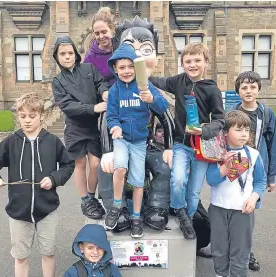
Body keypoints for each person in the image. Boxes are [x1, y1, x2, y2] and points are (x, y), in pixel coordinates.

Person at [0, 93, 75, 277]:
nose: (27, 121)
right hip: (18, 212)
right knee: (21, 256)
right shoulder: (11, 142)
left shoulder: (52, 141)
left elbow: (68, 164)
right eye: (22, 116)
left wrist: (54, 178)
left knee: (48, 253)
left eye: (32, 116)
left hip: (47, 210)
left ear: (42, 115)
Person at [98, 16, 175, 232]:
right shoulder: (115, 91)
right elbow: (108, 116)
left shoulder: (149, 88)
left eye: (146, 49)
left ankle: (156, 208)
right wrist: (107, 150)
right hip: (122, 142)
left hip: (145, 143)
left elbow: (164, 113)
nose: (130, 67)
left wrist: (168, 147)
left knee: (163, 167)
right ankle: (118, 208)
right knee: (110, 169)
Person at [149, 42, 225, 240]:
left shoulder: (211, 89)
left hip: (200, 147)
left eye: (197, 60)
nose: (193, 65)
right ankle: (179, 211)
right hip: (181, 145)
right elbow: (159, 81)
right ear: (182, 63)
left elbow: (220, 119)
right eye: (188, 61)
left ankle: (187, 221)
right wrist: (140, 74)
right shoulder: (179, 81)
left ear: (206, 63)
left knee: (193, 192)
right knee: (178, 180)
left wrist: (205, 130)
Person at [52, 36, 109, 220]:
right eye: (63, 54)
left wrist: (104, 92)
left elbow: (101, 82)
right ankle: (85, 199)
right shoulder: (58, 81)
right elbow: (67, 105)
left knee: (95, 164)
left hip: (93, 126)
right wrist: (93, 108)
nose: (67, 57)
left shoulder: (88, 69)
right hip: (74, 128)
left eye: (70, 53)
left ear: (76, 54)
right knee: (80, 164)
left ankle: (92, 196)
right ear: (57, 57)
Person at [205, 110, 266, 277]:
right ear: (225, 133)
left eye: (246, 130)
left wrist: (254, 198)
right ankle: (220, 274)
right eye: (238, 130)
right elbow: (211, 180)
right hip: (218, 208)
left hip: (243, 211)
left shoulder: (253, 155)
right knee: (219, 249)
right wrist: (225, 167)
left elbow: (261, 182)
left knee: (241, 251)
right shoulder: (216, 154)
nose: (244, 134)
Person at [230, 71, 276, 271]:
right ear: (238, 91)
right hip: (236, 166)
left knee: (247, 214)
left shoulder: (267, 114)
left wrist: (271, 176)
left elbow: (272, 144)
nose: (248, 91)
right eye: (244, 87)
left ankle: (246, 252)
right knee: (232, 209)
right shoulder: (231, 113)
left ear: (258, 89)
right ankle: (232, 250)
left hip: (257, 168)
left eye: (252, 87)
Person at [83, 6, 116, 87]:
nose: (101, 36)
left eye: (104, 32)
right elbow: (88, 86)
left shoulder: (122, 50)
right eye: (97, 33)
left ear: (111, 30)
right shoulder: (90, 59)